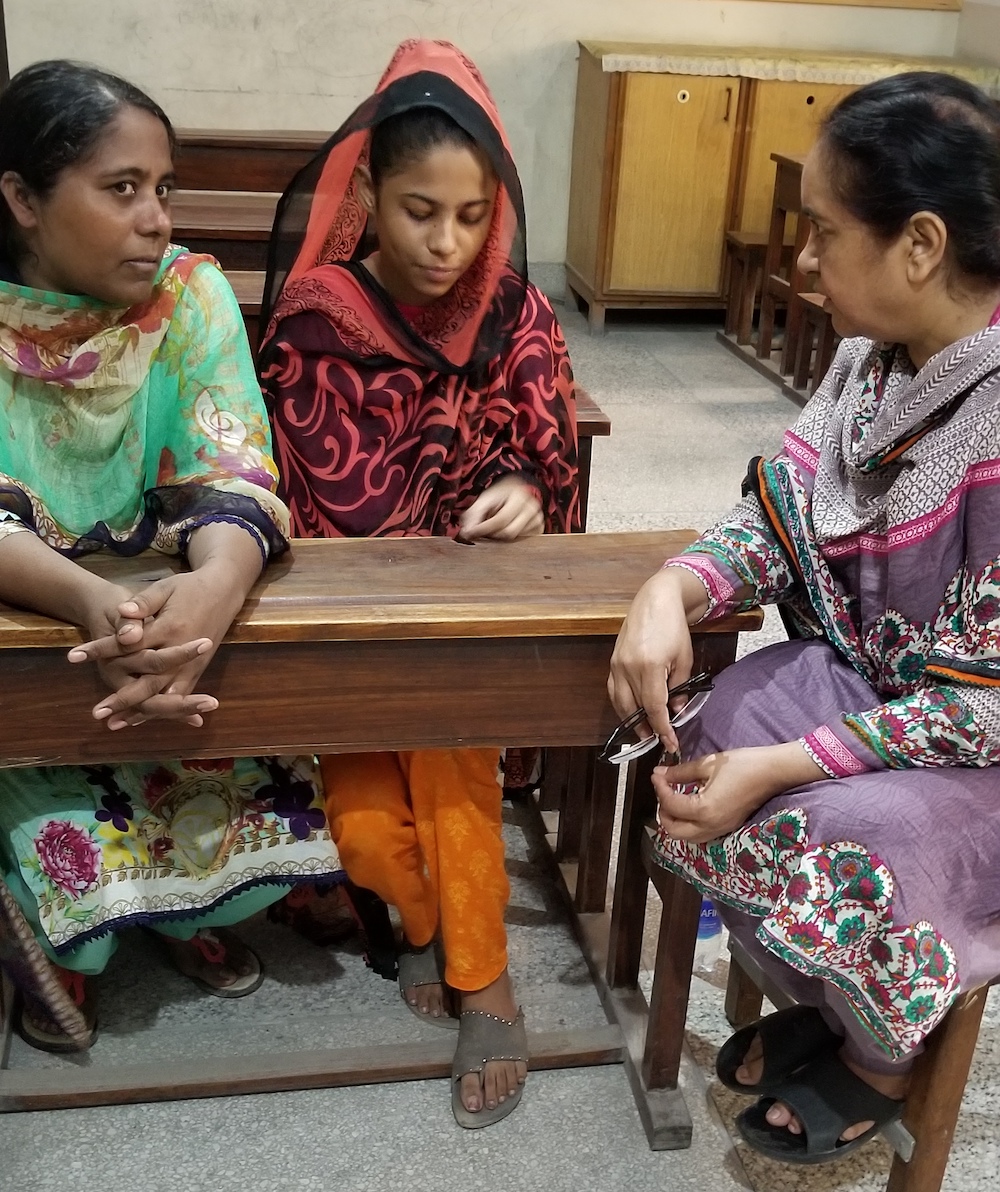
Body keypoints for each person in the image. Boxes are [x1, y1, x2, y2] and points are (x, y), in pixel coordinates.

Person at [609, 71, 1000, 1166]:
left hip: (977, 746)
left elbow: (981, 713)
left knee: (863, 838)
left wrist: (785, 765)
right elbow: (774, 516)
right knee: (704, 724)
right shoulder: (870, 368)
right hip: (890, 699)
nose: (804, 263)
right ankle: (831, 1000)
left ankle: (878, 1051)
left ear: (919, 245)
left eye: (825, 234)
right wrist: (669, 589)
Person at [259, 39, 579, 1127]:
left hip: (464, 618)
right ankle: (425, 920)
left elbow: (543, 438)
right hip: (347, 616)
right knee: (359, 830)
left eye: (472, 213)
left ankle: (484, 976)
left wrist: (526, 489)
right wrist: (439, 508)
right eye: (417, 210)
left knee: (452, 770)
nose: (447, 244)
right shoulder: (316, 318)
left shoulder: (512, 315)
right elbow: (323, 489)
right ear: (366, 201)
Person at [0, 60, 342, 1052]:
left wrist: (213, 591)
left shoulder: (186, 295)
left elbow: (235, 462)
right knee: (63, 809)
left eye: (163, 189)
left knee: (230, 799)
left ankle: (176, 912)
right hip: (31, 620)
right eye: (120, 190)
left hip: (164, 610)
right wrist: (83, 603)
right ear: (21, 198)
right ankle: (70, 934)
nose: (155, 218)